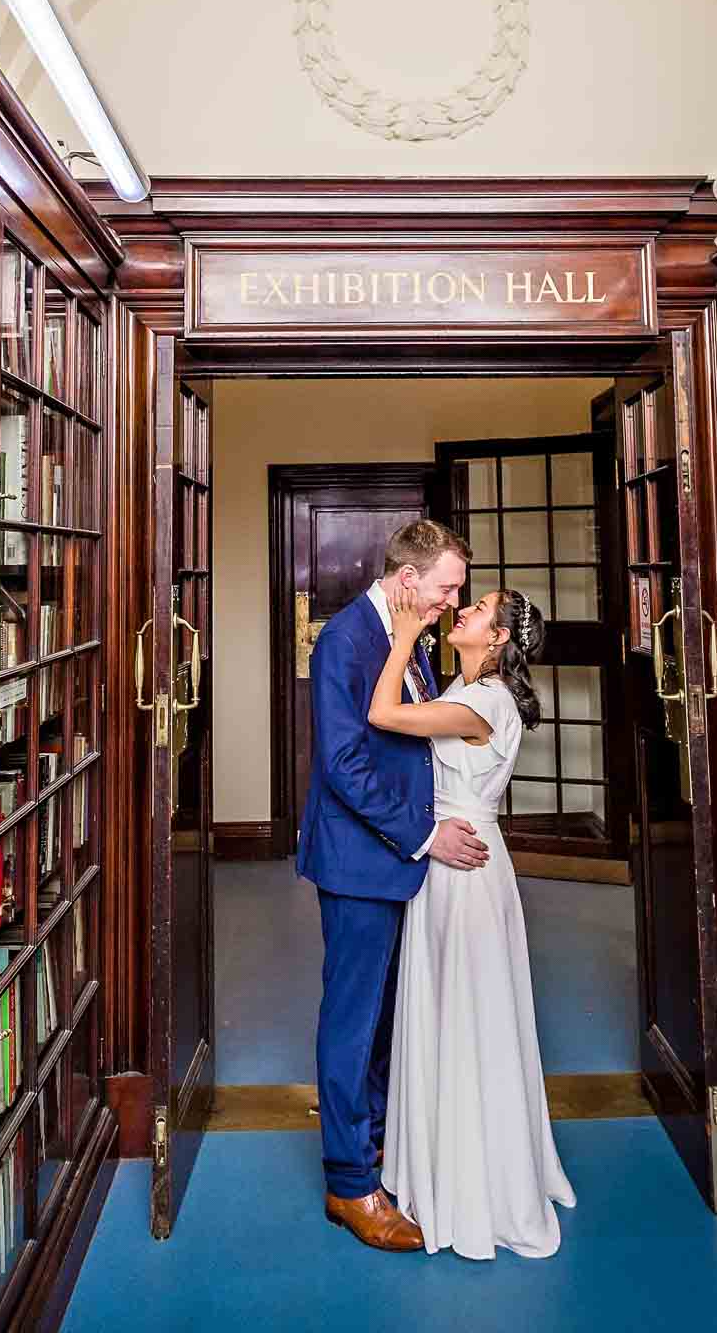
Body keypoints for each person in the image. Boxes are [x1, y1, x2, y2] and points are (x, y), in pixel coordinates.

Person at [296, 520, 489, 1252]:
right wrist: (425, 835)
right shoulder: (348, 639)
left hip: (395, 860)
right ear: (408, 580)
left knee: (382, 1017)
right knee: (352, 1020)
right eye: (445, 588)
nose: (449, 601)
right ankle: (349, 1185)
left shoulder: (405, 635)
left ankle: (373, 1147)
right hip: (359, 861)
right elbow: (344, 765)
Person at [370, 581, 577, 1259]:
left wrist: (402, 637)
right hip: (458, 865)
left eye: (479, 609)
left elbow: (383, 713)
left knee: (467, 1014)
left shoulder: (479, 703)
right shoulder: (470, 696)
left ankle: (473, 1180)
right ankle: (452, 1160)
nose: (466, 610)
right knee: (461, 1010)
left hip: (466, 876)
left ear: (498, 640)